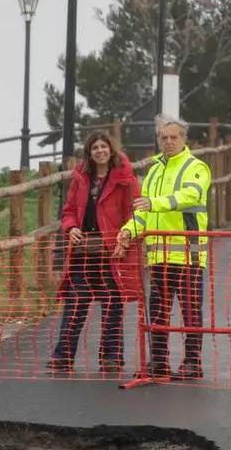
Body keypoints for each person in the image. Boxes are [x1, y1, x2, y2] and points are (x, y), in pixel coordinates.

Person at [115, 114, 212, 381]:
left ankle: (192, 362)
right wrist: (128, 230)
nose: (168, 142)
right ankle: (159, 362)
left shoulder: (196, 167)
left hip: (187, 254)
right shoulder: (155, 170)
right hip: (158, 256)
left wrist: (154, 203)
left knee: (191, 311)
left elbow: (190, 195)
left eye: (173, 137)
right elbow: (143, 213)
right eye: (163, 138)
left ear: (184, 139)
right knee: (157, 311)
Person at [47, 131, 142, 375]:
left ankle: (111, 357)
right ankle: (63, 357)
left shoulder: (126, 179)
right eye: (94, 147)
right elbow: (68, 210)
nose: (100, 150)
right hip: (82, 250)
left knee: (112, 304)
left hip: (112, 250)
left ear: (111, 149)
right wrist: (71, 228)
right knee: (75, 303)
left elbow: (135, 213)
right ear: (89, 153)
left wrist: (126, 234)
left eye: (103, 146)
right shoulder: (81, 178)